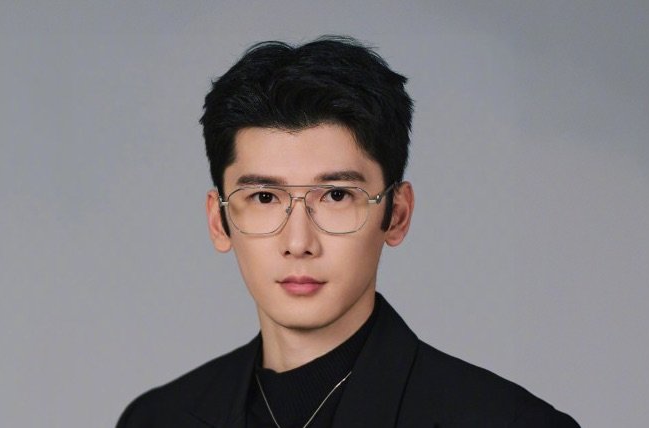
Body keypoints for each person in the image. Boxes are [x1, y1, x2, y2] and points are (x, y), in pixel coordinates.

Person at [116, 36, 579, 428]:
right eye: (264, 197)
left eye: (336, 196)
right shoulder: (156, 419)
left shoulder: (509, 421)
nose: (299, 243)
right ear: (218, 221)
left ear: (397, 214)